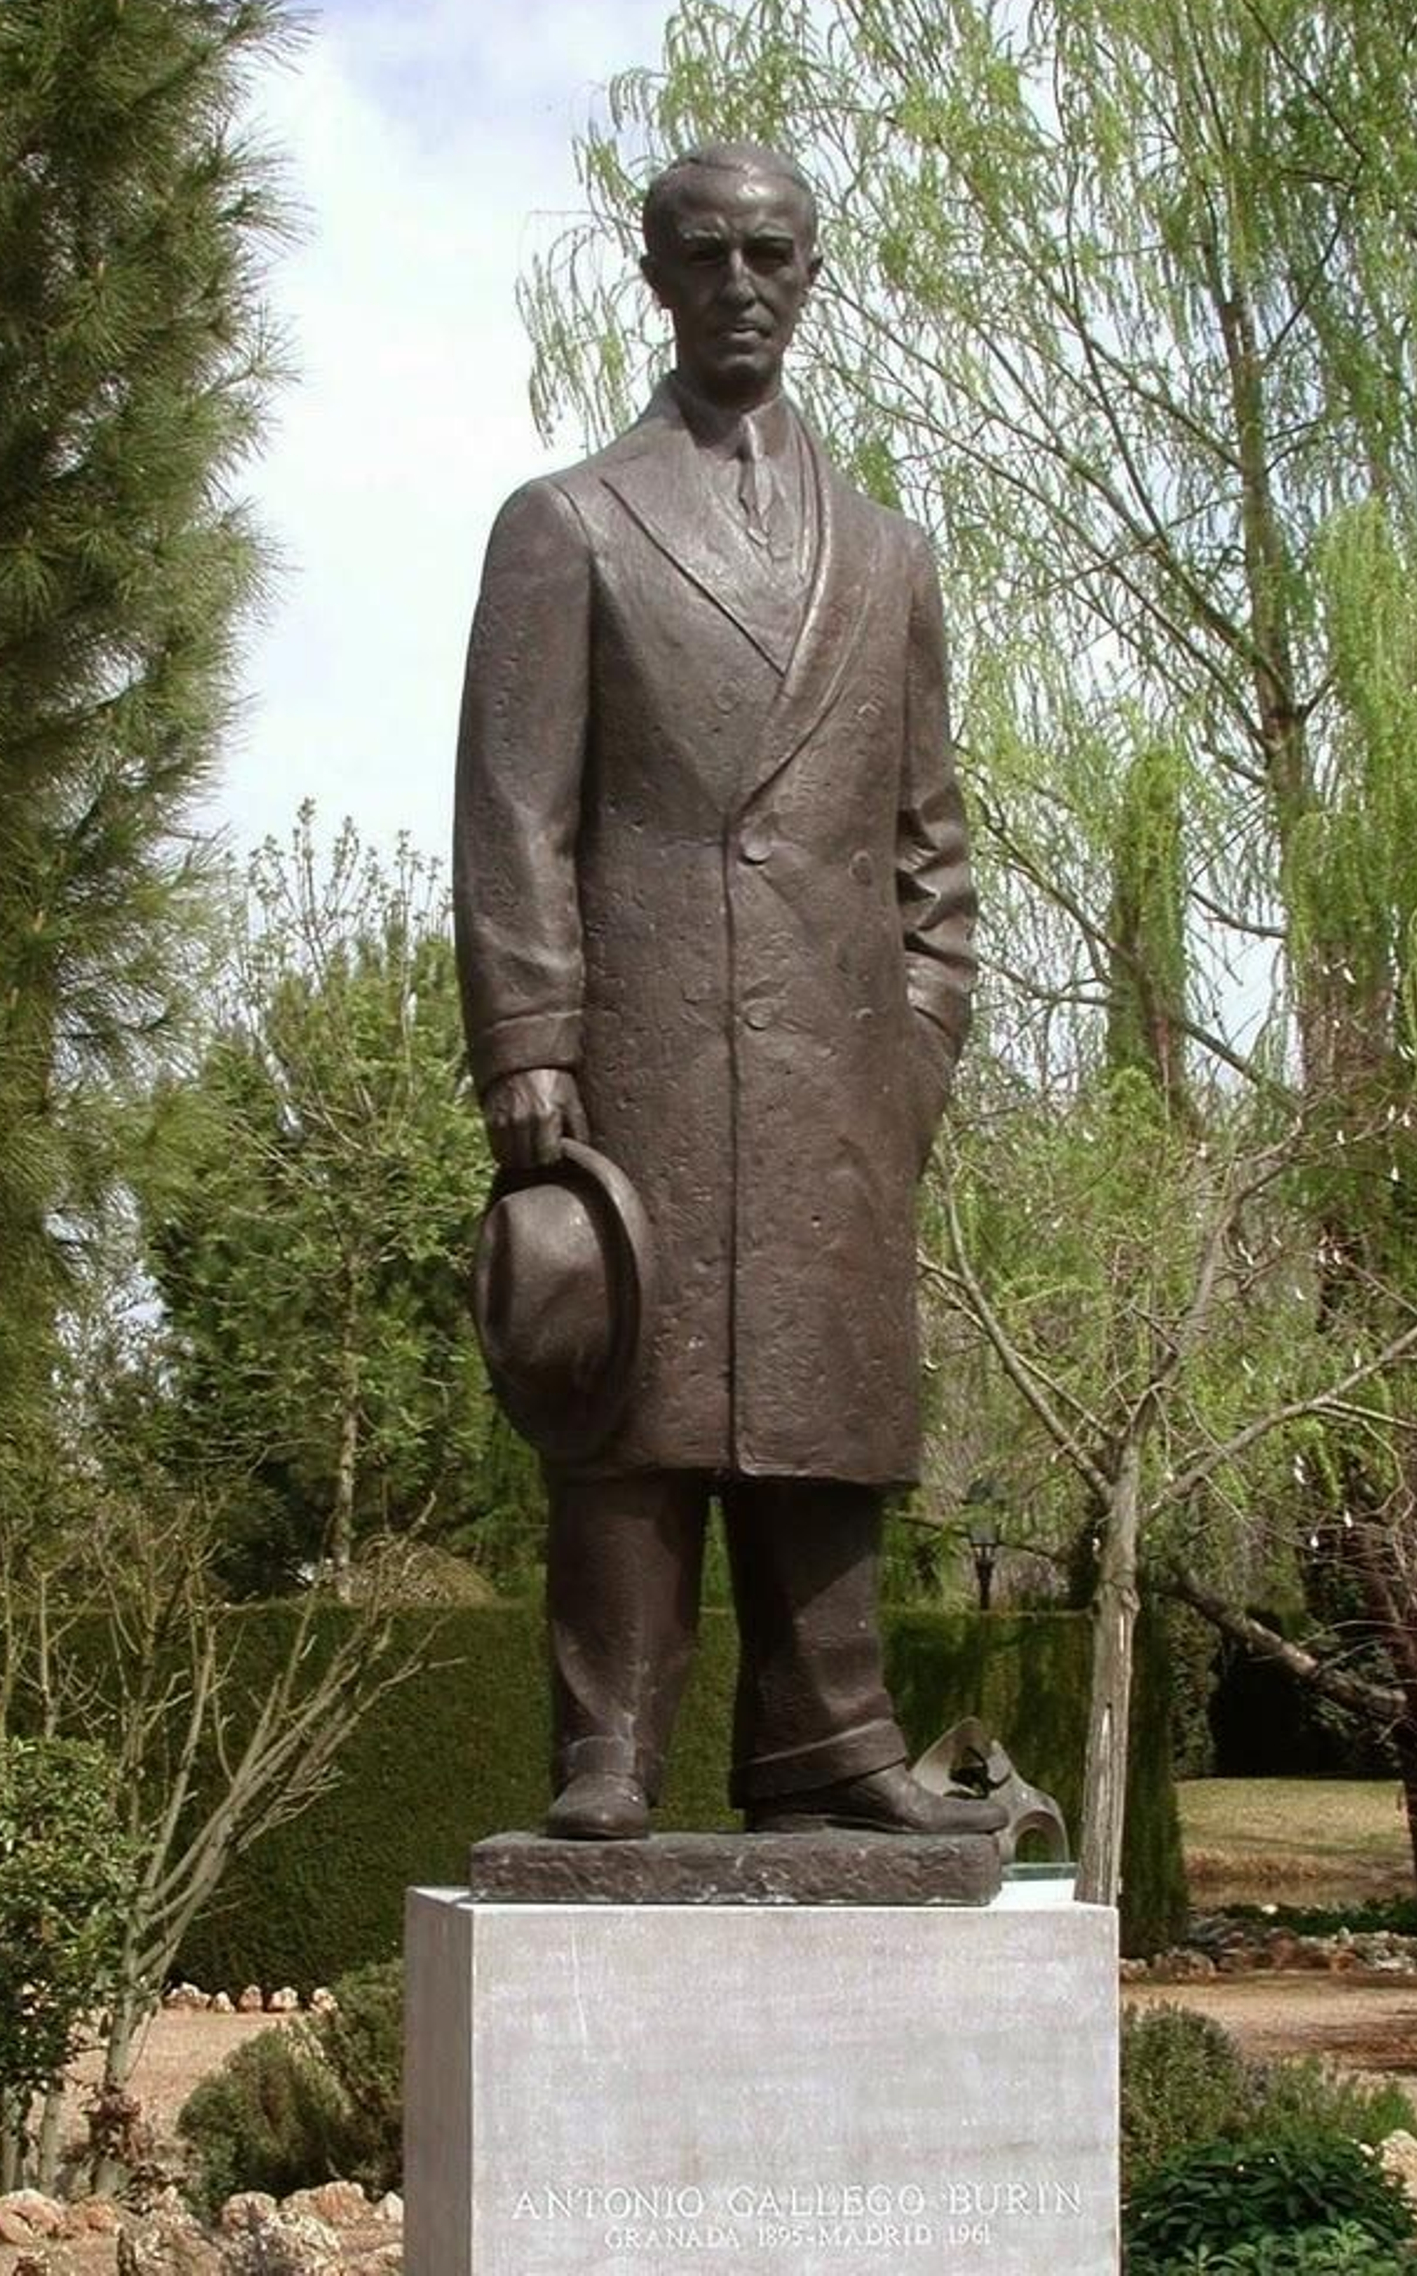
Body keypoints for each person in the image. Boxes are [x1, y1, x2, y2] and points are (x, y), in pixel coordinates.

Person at [454, 142, 1001, 1842]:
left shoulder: (890, 558)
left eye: (772, 252)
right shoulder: (571, 524)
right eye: (707, 254)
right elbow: (511, 809)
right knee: (634, 1381)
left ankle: (829, 1737)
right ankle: (607, 1743)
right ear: (657, 277)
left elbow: (932, 854)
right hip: (643, 1046)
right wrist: (530, 1042)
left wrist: (911, 1049)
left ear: (813, 273)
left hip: (840, 1073)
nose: (741, 283)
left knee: (826, 1397)